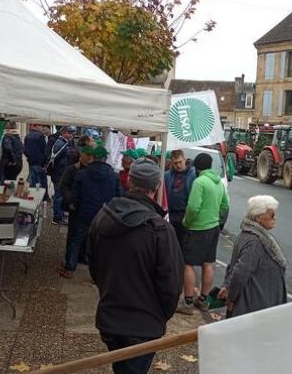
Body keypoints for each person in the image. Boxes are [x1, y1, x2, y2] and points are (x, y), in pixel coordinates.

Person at [87, 158, 183, 374]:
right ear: (156, 187)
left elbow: (92, 265)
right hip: (143, 324)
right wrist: (161, 315)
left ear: (129, 181)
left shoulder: (103, 215)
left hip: (111, 317)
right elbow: (171, 284)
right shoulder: (160, 230)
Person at [57, 146, 121, 278]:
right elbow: (118, 197)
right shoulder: (113, 176)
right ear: (104, 158)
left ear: (94, 157)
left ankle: (69, 268)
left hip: (83, 213)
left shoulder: (82, 174)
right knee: (100, 244)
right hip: (104, 215)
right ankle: (96, 275)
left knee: (75, 240)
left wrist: (74, 205)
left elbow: (75, 195)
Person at [177, 152, 229, 314]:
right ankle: (203, 300)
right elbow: (225, 206)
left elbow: (193, 207)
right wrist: (216, 220)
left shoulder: (200, 182)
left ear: (197, 167)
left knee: (188, 264)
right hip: (213, 228)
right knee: (208, 263)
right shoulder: (218, 183)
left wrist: (187, 222)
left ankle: (187, 302)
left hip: (198, 228)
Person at [218, 195, 286, 318]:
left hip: (255, 303)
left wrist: (227, 286)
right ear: (258, 217)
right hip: (254, 305)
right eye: (271, 215)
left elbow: (232, 266)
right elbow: (239, 273)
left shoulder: (248, 234)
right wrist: (232, 297)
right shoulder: (255, 241)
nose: (275, 218)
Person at [164, 149, 196, 245]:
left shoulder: (193, 175)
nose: (178, 165)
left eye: (180, 162)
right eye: (175, 163)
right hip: (170, 214)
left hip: (184, 214)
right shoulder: (167, 175)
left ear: (184, 160)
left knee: (182, 245)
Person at [50, 126, 77, 224]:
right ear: (63, 133)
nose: (71, 135)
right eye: (69, 133)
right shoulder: (60, 143)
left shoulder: (64, 142)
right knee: (59, 195)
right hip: (59, 173)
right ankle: (57, 218)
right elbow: (55, 159)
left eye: (71, 133)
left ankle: (60, 213)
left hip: (60, 172)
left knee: (60, 194)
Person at [24, 123, 48, 190]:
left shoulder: (27, 136)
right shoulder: (40, 136)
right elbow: (45, 150)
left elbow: (25, 150)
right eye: (40, 126)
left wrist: (29, 157)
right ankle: (44, 197)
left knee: (34, 181)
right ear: (35, 126)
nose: (42, 128)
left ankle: (35, 195)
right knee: (42, 181)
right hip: (40, 163)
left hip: (31, 162)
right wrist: (45, 162)